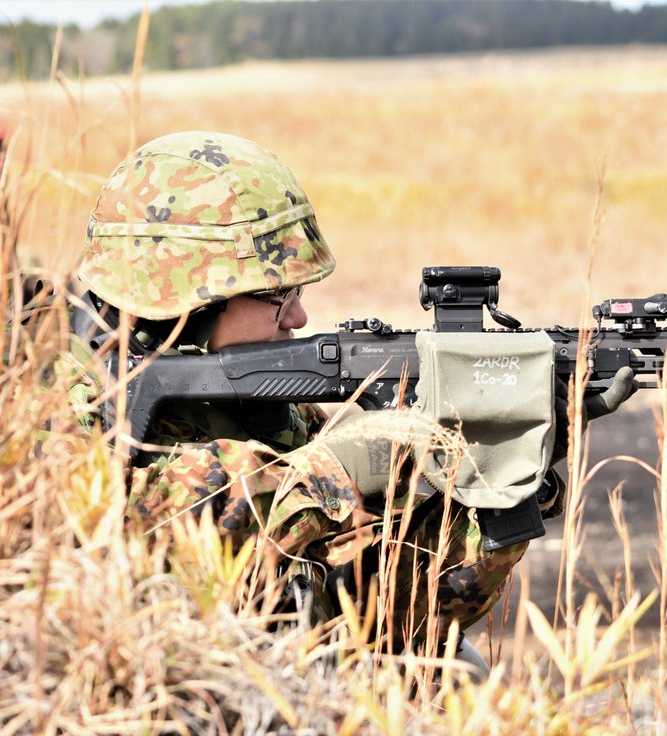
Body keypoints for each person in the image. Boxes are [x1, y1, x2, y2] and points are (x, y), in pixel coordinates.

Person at [72, 131, 634, 660]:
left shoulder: (270, 412)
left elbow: (400, 620)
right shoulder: (60, 415)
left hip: (294, 698)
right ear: (184, 298)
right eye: (276, 295)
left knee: (453, 669)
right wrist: (339, 467)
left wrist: (511, 461)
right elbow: (177, 534)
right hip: (156, 706)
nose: (299, 316)